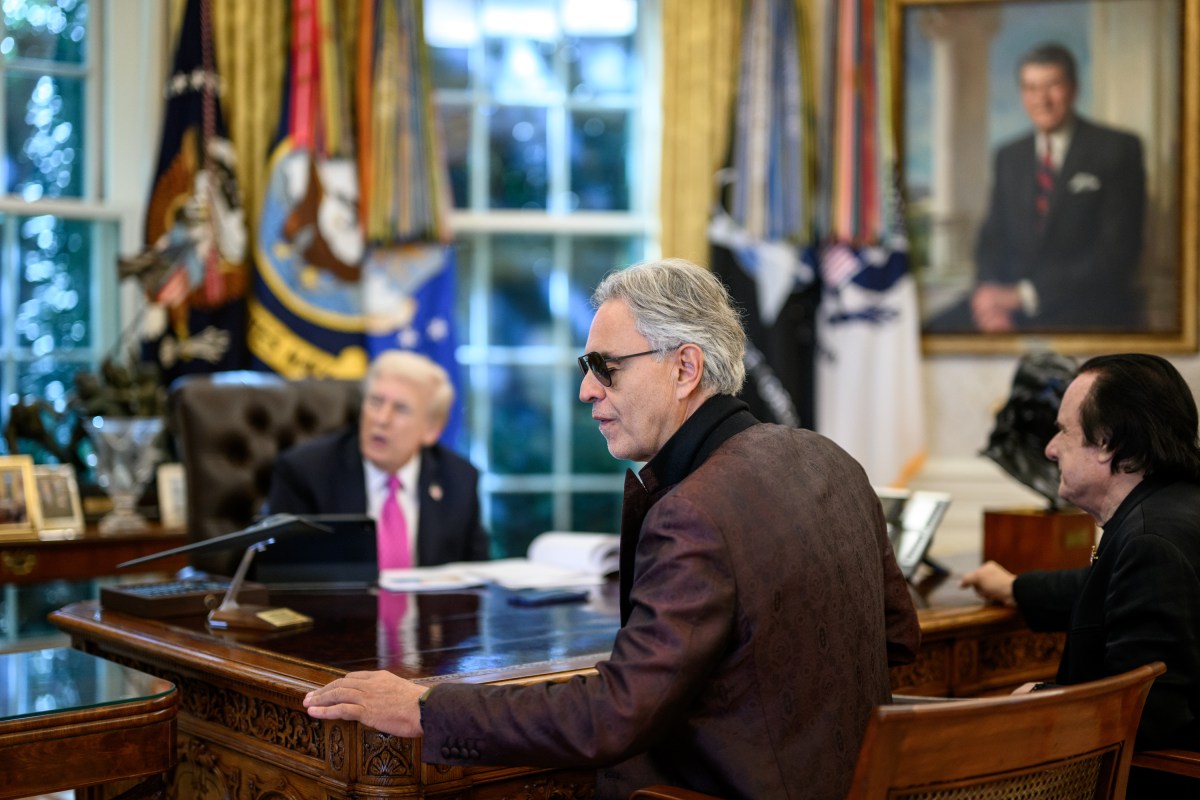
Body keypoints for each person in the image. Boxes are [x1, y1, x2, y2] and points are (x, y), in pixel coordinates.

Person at [304, 258, 920, 800]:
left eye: (605, 367)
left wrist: (426, 707)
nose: (585, 390)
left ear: (685, 368)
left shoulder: (695, 509)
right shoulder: (832, 460)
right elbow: (897, 639)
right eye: (586, 366)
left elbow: (615, 714)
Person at [962, 354, 1200, 795]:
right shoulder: (1173, 510)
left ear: (1107, 442)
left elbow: (1148, 715)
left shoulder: (1151, 542)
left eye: (1063, 430)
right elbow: (1112, 589)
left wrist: (1041, 697)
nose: (1051, 449)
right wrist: (1016, 587)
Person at [931, 42, 1146, 333]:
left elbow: (1116, 254)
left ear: (1073, 89)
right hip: (1009, 307)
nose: (1041, 99)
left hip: (1082, 307)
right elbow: (991, 239)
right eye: (1031, 88)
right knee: (931, 332)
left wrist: (1023, 296)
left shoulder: (1116, 149)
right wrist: (989, 300)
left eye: (1052, 86)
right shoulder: (1009, 156)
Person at [265, 349, 489, 566]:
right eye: (375, 402)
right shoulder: (306, 471)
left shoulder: (460, 479)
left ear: (432, 429)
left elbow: (477, 577)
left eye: (400, 409)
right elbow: (282, 573)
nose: (381, 419)